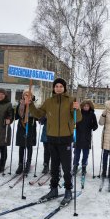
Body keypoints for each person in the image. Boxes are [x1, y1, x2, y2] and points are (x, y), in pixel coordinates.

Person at [27, 77, 81, 206]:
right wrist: (30, 104)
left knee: (67, 168)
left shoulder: (70, 101)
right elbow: (39, 114)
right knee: (54, 167)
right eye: (56, 86)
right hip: (51, 138)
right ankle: (54, 189)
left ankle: (68, 190)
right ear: (53, 88)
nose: (58, 88)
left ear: (64, 88)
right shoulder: (49, 101)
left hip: (65, 139)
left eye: (61, 86)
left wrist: (77, 108)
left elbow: (77, 119)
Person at [72, 100, 98, 175]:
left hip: (87, 137)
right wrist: (75, 125)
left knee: (85, 154)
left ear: (90, 107)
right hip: (78, 136)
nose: (86, 107)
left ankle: (84, 167)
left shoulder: (92, 114)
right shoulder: (79, 113)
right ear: (82, 107)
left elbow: (95, 125)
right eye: (84, 106)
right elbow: (74, 121)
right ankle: (75, 166)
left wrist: (93, 127)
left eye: (87, 106)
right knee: (77, 153)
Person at [14, 90, 37, 175]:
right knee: (21, 146)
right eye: (25, 95)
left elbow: (37, 116)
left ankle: (28, 164)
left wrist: (30, 106)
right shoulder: (20, 104)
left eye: (29, 95)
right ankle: (20, 165)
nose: (27, 96)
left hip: (30, 127)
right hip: (21, 127)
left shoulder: (34, 105)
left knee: (29, 146)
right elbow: (16, 116)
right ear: (23, 96)